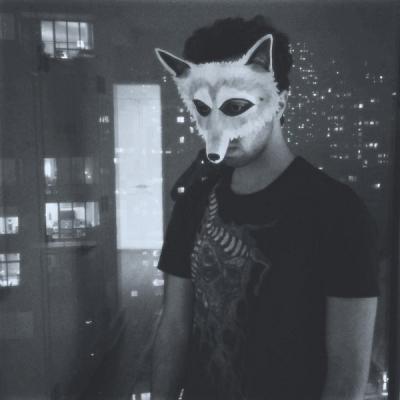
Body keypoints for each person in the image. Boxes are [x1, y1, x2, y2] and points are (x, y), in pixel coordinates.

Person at [151, 15, 379, 400]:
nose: (218, 130)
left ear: (280, 100)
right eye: (204, 109)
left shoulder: (338, 214)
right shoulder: (194, 203)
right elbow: (173, 330)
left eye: (235, 106)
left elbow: (346, 373)